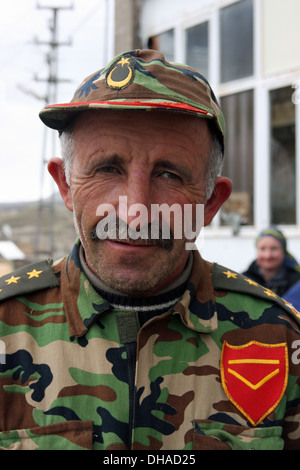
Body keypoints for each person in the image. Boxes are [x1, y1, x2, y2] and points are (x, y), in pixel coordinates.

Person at [0, 49, 300, 451]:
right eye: (108, 168)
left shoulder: (277, 338)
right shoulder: (6, 328)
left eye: (170, 174)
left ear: (211, 203)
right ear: (66, 184)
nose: (136, 211)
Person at [243, 227, 300, 297]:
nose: (268, 256)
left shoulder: (297, 283)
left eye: (274, 249)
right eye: (262, 249)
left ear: (283, 251)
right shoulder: (244, 280)